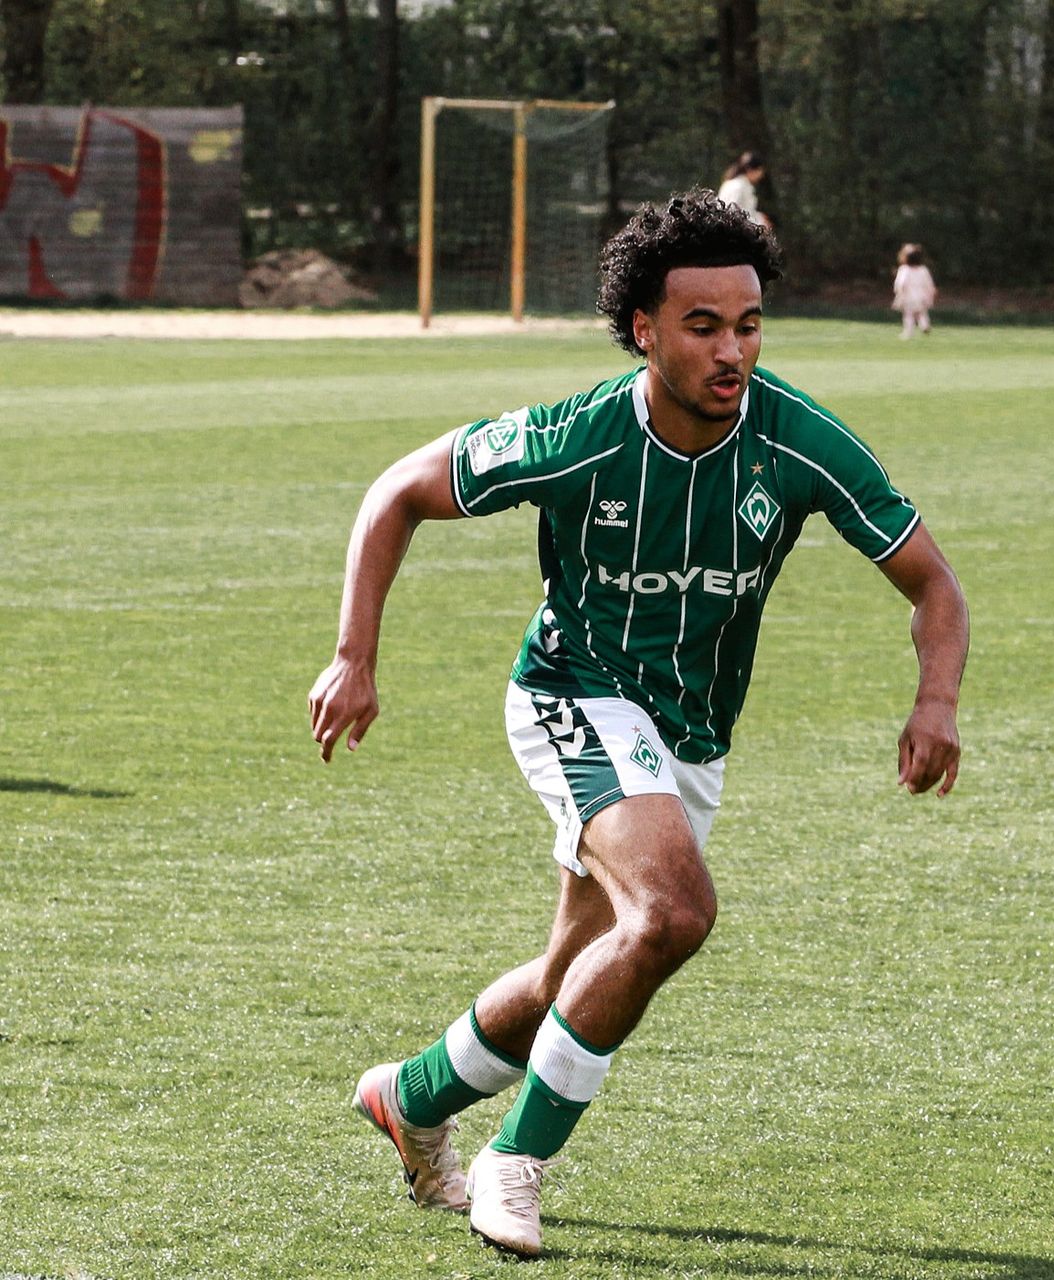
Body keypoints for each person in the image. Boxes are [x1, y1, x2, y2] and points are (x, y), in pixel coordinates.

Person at [308, 191, 968, 1258]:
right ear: (644, 330)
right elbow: (396, 493)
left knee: (582, 957)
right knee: (672, 912)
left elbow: (934, 581)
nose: (732, 349)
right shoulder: (577, 436)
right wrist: (354, 655)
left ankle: (413, 1095)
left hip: (690, 733)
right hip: (572, 690)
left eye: (748, 324)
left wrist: (936, 698)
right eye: (703, 325)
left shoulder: (798, 441)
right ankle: (514, 1169)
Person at [716, 151, 771, 230]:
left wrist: (760, 218)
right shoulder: (739, 186)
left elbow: (747, 211)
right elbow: (733, 213)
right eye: (759, 170)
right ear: (750, 170)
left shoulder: (736, 184)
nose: (761, 175)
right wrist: (760, 223)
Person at [892, 243, 937, 339]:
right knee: (921, 313)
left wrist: (899, 294)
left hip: (909, 297)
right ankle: (924, 325)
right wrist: (931, 294)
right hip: (921, 297)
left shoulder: (904, 270)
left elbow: (901, 284)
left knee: (908, 315)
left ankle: (908, 333)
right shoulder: (923, 270)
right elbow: (929, 284)